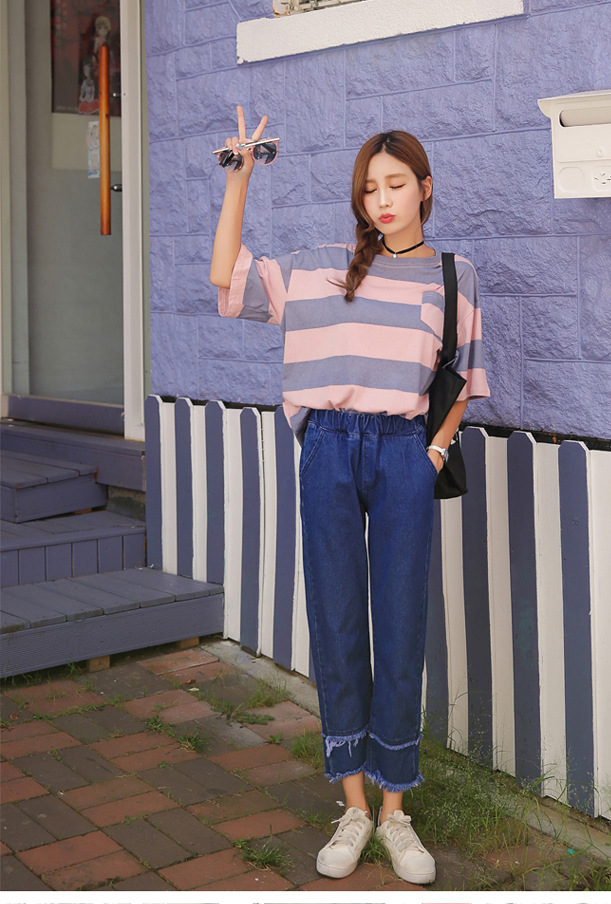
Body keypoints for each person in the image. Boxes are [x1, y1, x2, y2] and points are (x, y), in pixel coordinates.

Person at [210, 107, 490, 884]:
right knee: (337, 620)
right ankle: (355, 804)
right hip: (328, 446)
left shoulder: (453, 275)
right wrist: (239, 180)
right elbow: (227, 280)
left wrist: (432, 453)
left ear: (425, 187)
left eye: (396, 184)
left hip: (405, 452)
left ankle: (396, 811)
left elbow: (464, 378)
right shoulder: (319, 267)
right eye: (370, 188)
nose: (383, 199)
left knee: (400, 621)